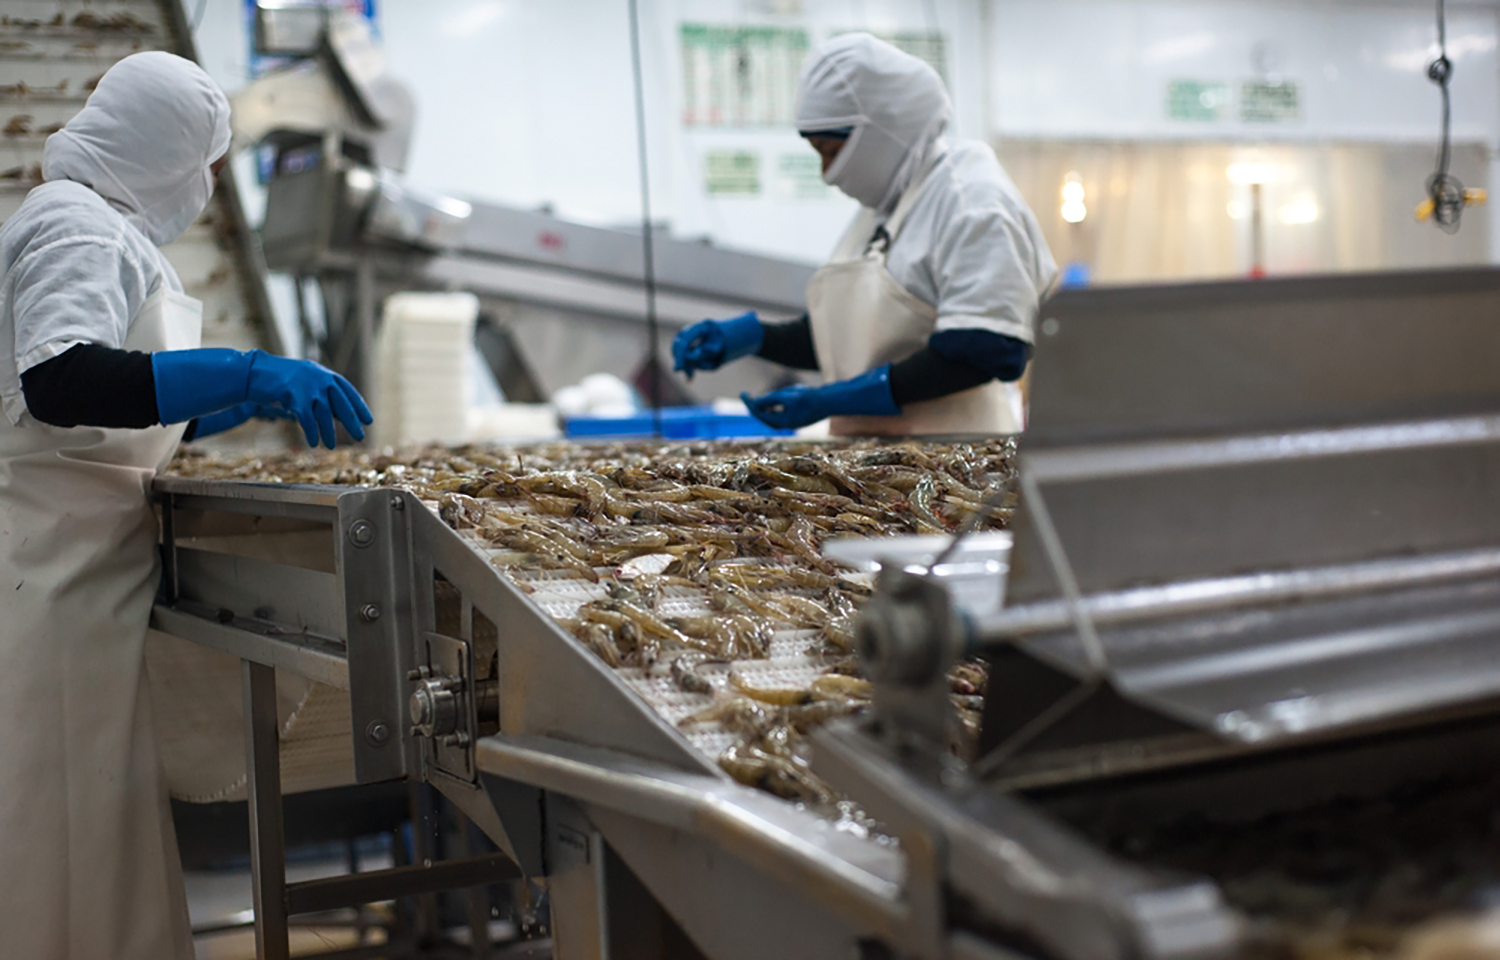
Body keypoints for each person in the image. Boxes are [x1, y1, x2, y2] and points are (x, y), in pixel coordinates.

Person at [0, 52, 370, 960]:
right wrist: (245, 366)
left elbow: (108, 396)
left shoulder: (101, 228)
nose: (211, 184)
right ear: (163, 147)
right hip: (43, 577)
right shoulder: (74, 227)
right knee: (63, 838)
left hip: (78, 566)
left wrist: (230, 403)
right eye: (210, 162)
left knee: (94, 832)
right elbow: (61, 379)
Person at [673, 33, 1057, 435]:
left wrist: (832, 399)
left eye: (832, 152)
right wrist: (753, 337)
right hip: (881, 464)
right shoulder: (889, 207)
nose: (826, 174)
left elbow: (986, 349)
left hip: (959, 465)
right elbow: (855, 340)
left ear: (881, 131)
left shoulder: (972, 201)